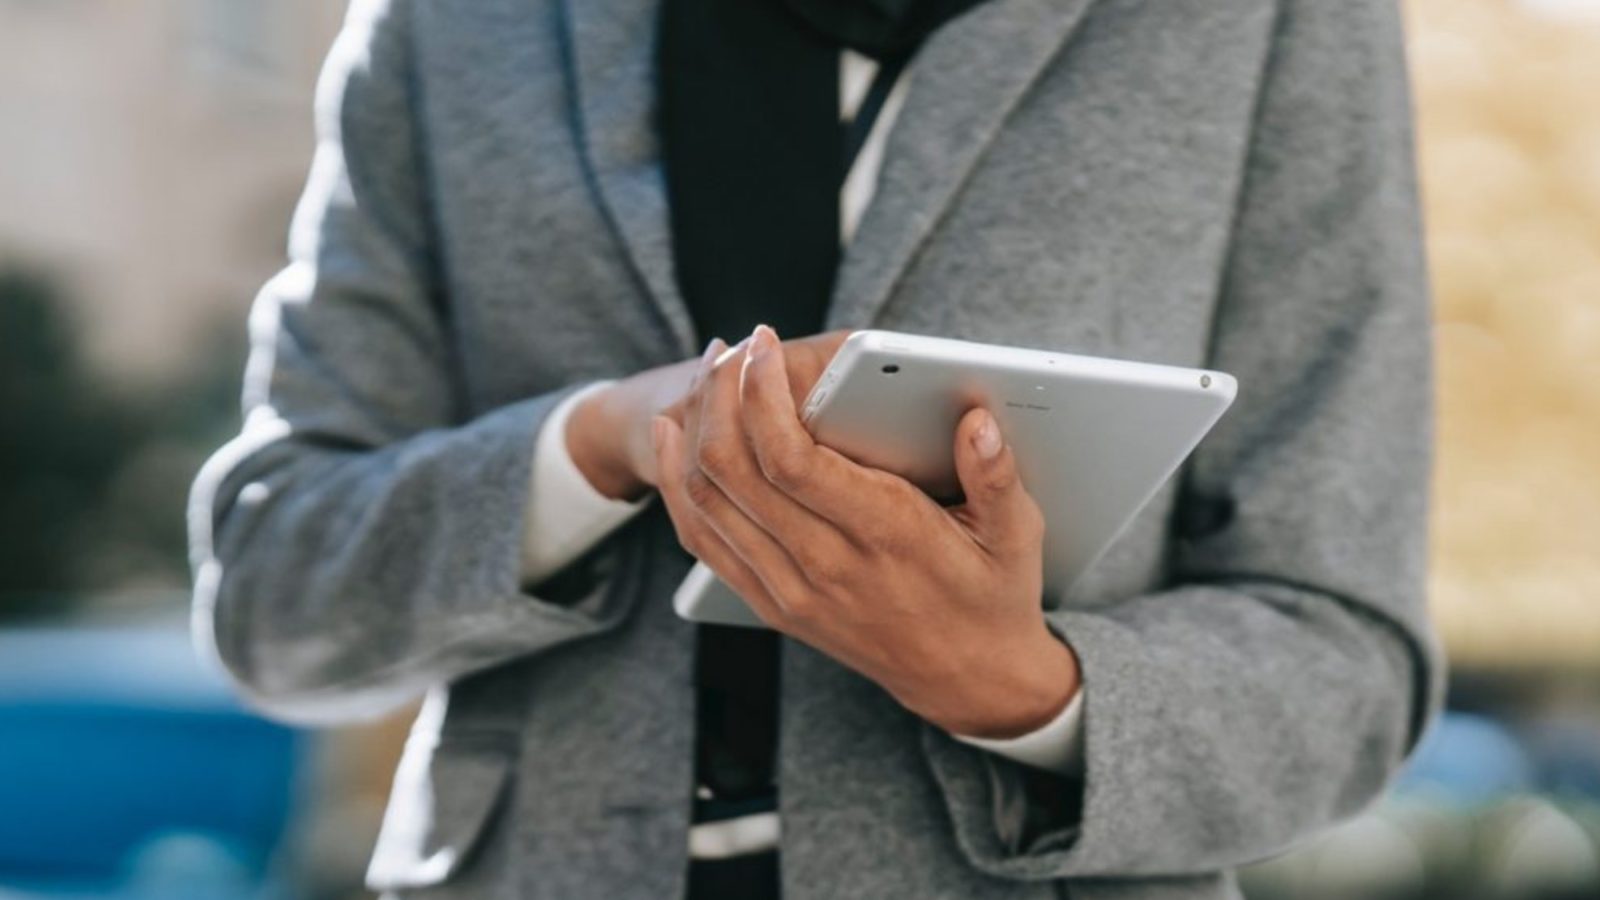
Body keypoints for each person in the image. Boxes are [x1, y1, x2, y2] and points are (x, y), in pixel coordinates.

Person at [187, 0, 1441, 897]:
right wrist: (603, 442)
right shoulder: (449, 28)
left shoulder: (1277, 21)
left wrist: (1012, 683)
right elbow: (269, 598)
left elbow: (1345, 663)